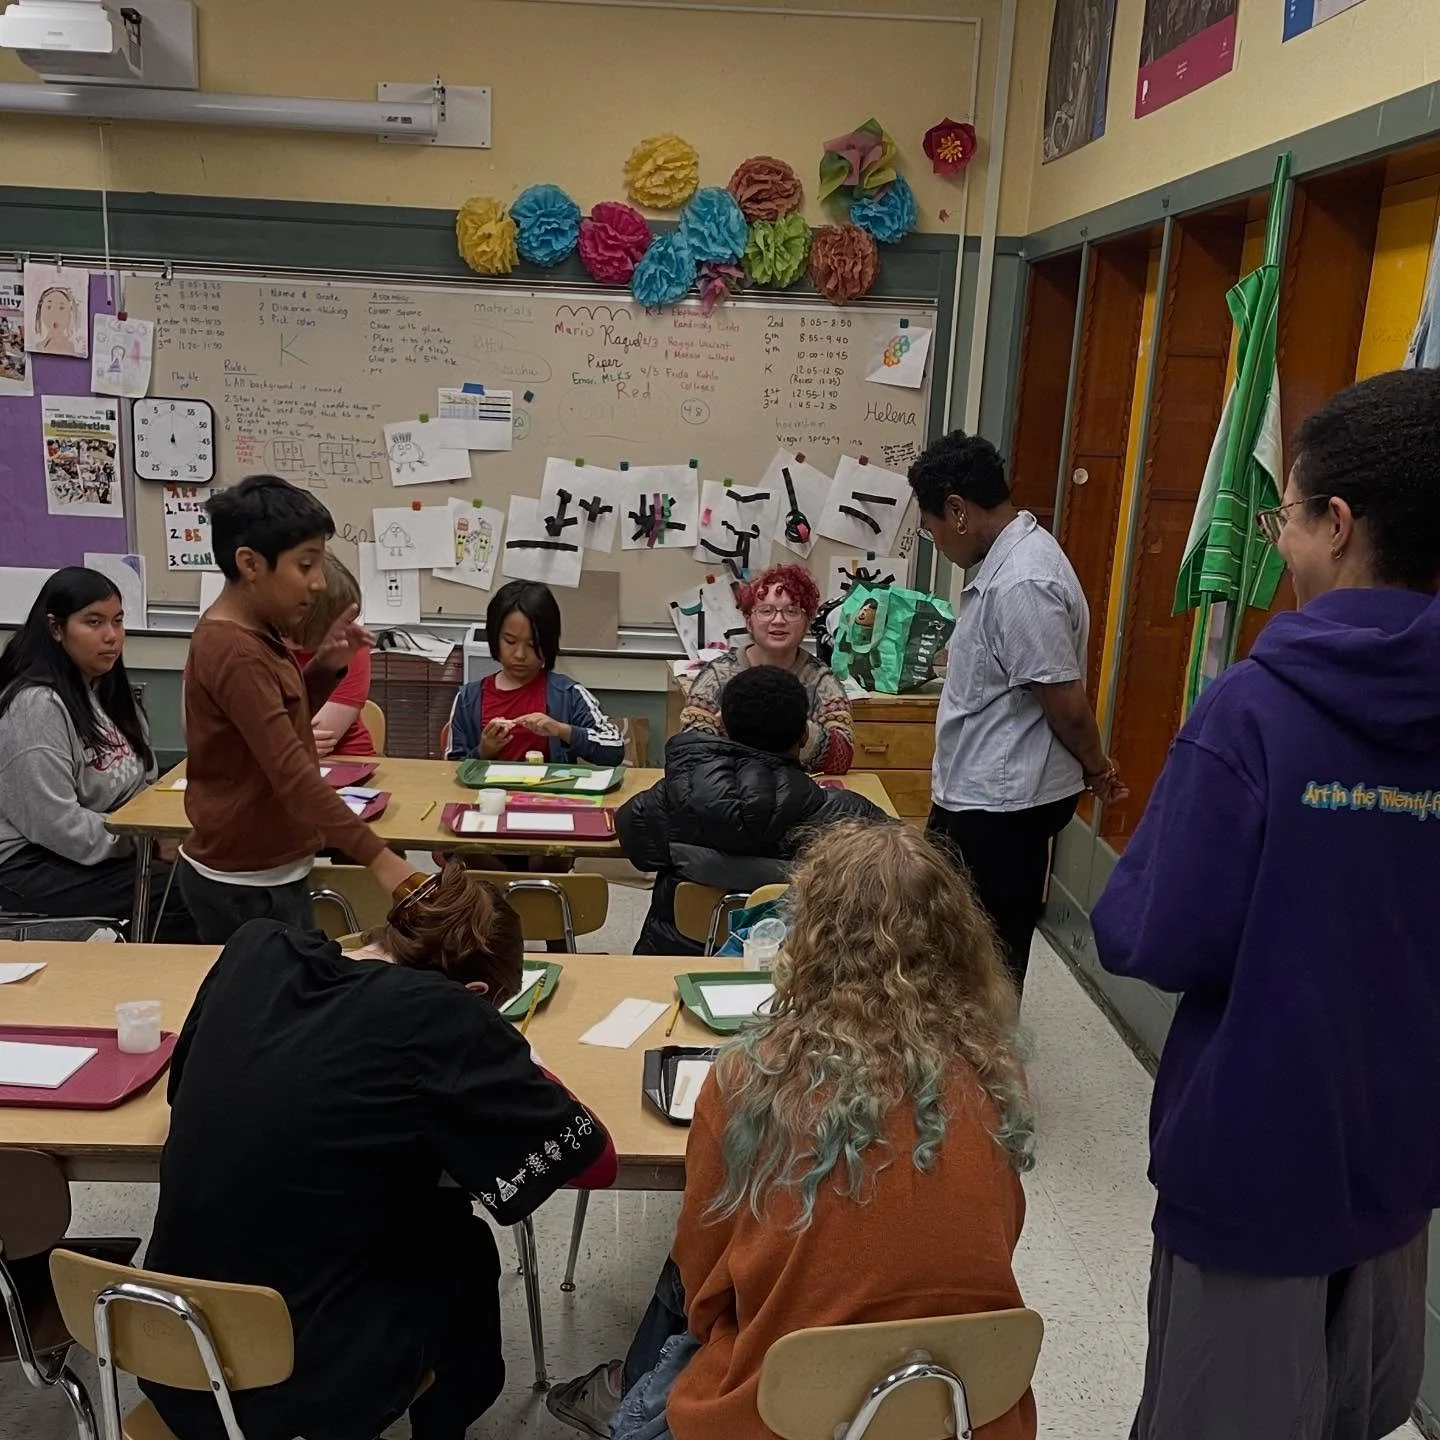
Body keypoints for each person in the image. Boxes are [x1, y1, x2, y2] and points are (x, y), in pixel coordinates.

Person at [1091, 368, 1440, 1440]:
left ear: (1338, 526)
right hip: (1400, 1152)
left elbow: (1152, 933)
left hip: (1252, 1156)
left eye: (1285, 517)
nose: (1279, 544)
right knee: (1359, 1411)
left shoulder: (1252, 710)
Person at [548, 821, 1036, 1440]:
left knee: (681, 1323)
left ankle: (622, 1402)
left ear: (810, 938)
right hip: (965, 1405)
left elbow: (702, 1288)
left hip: (781, 1412)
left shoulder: (751, 1078)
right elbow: (999, 1235)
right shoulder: (995, 1077)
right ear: (958, 943)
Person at [143, 861, 617, 1440]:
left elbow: (181, 1085)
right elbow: (595, 1159)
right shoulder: (445, 1015)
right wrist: (516, 1059)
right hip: (299, 1379)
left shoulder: (256, 947)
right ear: (476, 994)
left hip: (165, 1340)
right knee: (461, 1242)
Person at [908, 430, 1124, 992]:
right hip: (979, 797)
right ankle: (957, 1067)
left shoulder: (1024, 581)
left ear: (956, 510)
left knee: (984, 964)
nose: (940, 545)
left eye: (932, 531)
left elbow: (1065, 702)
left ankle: (983, 1075)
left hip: (998, 810)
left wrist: (1098, 768)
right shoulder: (1009, 566)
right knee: (949, 952)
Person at [178, 475, 416, 943]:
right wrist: (381, 858)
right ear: (249, 563)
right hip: (242, 885)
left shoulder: (257, 635)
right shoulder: (235, 650)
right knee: (266, 1006)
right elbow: (291, 771)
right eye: (305, 565)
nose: (319, 582)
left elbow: (274, 720)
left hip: (272, 869)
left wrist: (326, 667)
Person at [616, 665, 886, 955]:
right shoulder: (849, 819)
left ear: (722, 727)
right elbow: (899, 869)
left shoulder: (671, 798)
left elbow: (633, 837)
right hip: (796, 974)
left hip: (678, 964)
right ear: (805, 737)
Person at [0, 567, 196, 941]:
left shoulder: (107, 691)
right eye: (94, 622)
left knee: (214, 876)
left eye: (118, 621)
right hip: (28, 863)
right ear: (56, 629)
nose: (112, 636)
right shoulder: (36, 706)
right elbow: (55, 825)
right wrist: (146, 842)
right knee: (190, 896)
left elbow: (145, 780)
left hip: (104, 847)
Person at [679, 562, 853, 774]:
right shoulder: (717, 675)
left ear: (807, 622)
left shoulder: (820, 680)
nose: (778, 620)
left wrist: (790, 725)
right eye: (766, 610)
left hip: (796, 797)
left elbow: (842, 757)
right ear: (749, 621)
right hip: (730, 794)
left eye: (792, 611)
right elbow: (690, 751)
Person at [445, 580, 625, 765]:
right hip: (488, 794)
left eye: (533, 645)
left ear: (549, 643)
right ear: (494, 637)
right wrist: (482, 752)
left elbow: (614, 749)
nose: (520, 655)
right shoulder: (468, 699)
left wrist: (560, 730)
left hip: (550, 794)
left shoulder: (568, 694)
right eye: (510, 641)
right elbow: (451, 768)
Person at [288, 551, 376, 758]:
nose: (347, 629)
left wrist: (282, 742)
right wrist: (286, 744)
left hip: (345, 761)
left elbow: (323, 732)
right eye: (341, 619)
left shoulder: (348, 645)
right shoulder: (257, 643)